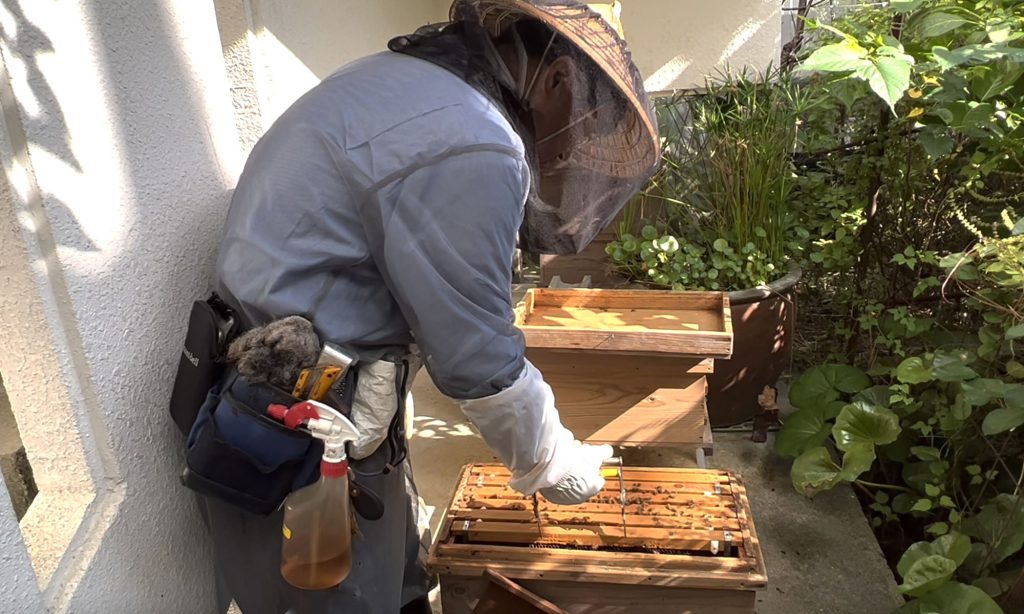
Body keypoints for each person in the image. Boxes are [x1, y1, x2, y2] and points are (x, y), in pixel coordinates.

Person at [201, 1, 659, 612]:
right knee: (341, 595)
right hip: (294, 428)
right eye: (581, 127)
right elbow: (476, 358)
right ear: (557, 80)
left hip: (319, 395)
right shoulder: (470, 141)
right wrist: (551, 460)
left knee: (398, 579)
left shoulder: (402, 83)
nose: (566, 154)